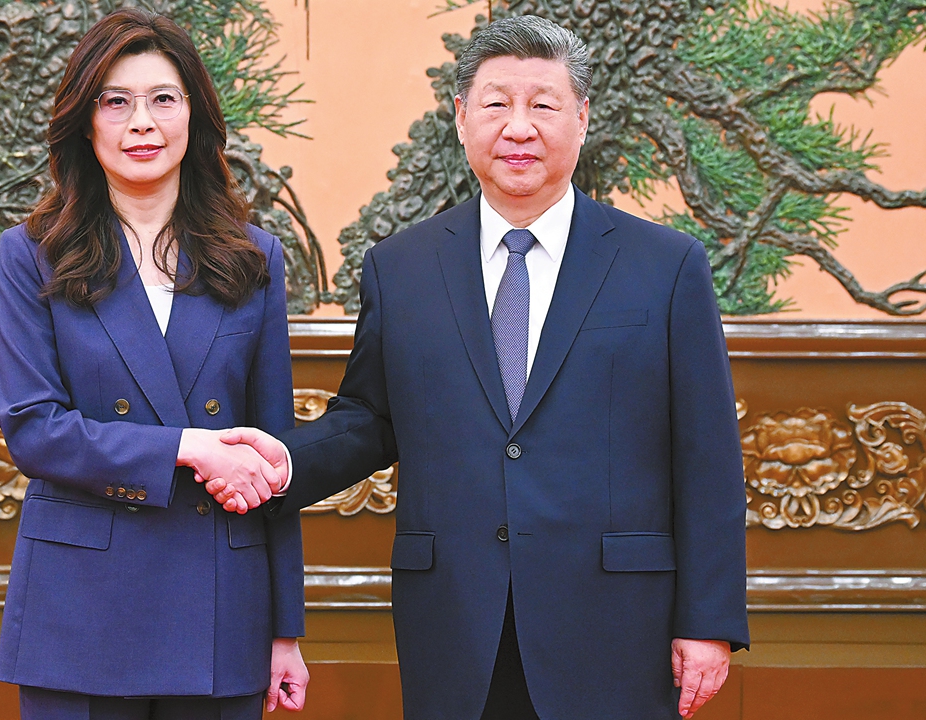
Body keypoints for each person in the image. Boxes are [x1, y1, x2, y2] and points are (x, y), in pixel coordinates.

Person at [211, 14, 748, 720]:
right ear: (461, 119)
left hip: (618, 622)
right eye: (496, 104)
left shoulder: (667, 265)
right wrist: (277, 460)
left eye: (543, 105)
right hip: (458, 619)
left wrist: (707, 620)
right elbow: (368, 421)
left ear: (582, 119)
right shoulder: (401, 268)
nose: (518, 127)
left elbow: (707, 454)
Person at [0, 9, 307, 719]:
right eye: (116, 100)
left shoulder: (254, 258)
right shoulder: (30, 253)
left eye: (164, 98)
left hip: (223, 604)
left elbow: (270, 447)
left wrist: (286, 628)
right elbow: (33, 429)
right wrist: (190, 447)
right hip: (80, 607)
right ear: (85, 120)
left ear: (194, 115)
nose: (142, 123)